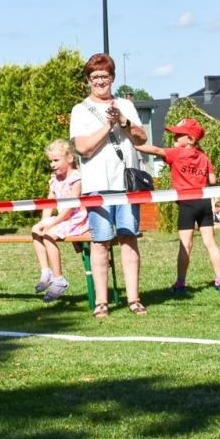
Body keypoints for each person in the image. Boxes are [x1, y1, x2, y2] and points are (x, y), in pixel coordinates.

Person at [69, 53, 148, 318]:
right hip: (96, 186)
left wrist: (124, 122)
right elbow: (83, 148)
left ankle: (134, 299)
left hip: (126, 184)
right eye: (94, 77)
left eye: (104, 76)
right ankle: (101, 302)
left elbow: (141, 137)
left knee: (128, 239)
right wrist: (108, 125)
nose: (100, 82)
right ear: (88, 81)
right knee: (101, 243)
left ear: (112, 78)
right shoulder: (80, 110)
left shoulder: (125, 104)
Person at [137, 117, 220, 294]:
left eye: (178, 135)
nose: (175, 138)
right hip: (204, 202)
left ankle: (180, 284)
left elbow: (155, 150)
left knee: (185, 245)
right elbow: (213, 180)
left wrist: (135, 145)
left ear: (190, 139)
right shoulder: (203, 157)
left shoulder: (177, 153)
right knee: (210, 243)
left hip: (187, 204)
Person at [31, 139, 88, 302]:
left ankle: (59, 279)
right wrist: (44, 221)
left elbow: (71, 207)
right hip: (62, 218)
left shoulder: (76, 178)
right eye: (50, 161)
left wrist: (52, 224)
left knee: (49, 234)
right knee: (36, 229)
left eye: (56, 160)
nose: (52, 165)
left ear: (69, 158)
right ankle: (45, 272)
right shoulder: (54, 179)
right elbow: (49, 203)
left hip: (76, 218)